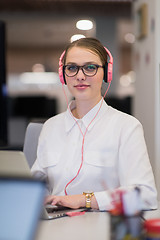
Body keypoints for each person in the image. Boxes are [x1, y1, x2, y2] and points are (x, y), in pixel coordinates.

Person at [31, 37, 157, 211]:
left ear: (106, 73)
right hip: (53, 224)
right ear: (63, 74)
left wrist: (85, 200)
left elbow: (145, 195)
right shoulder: (50, 127)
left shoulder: (126, 126)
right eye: (72, 68)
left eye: (90, 67)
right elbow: (36, 186)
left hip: (101, 225)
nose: (80, 76)